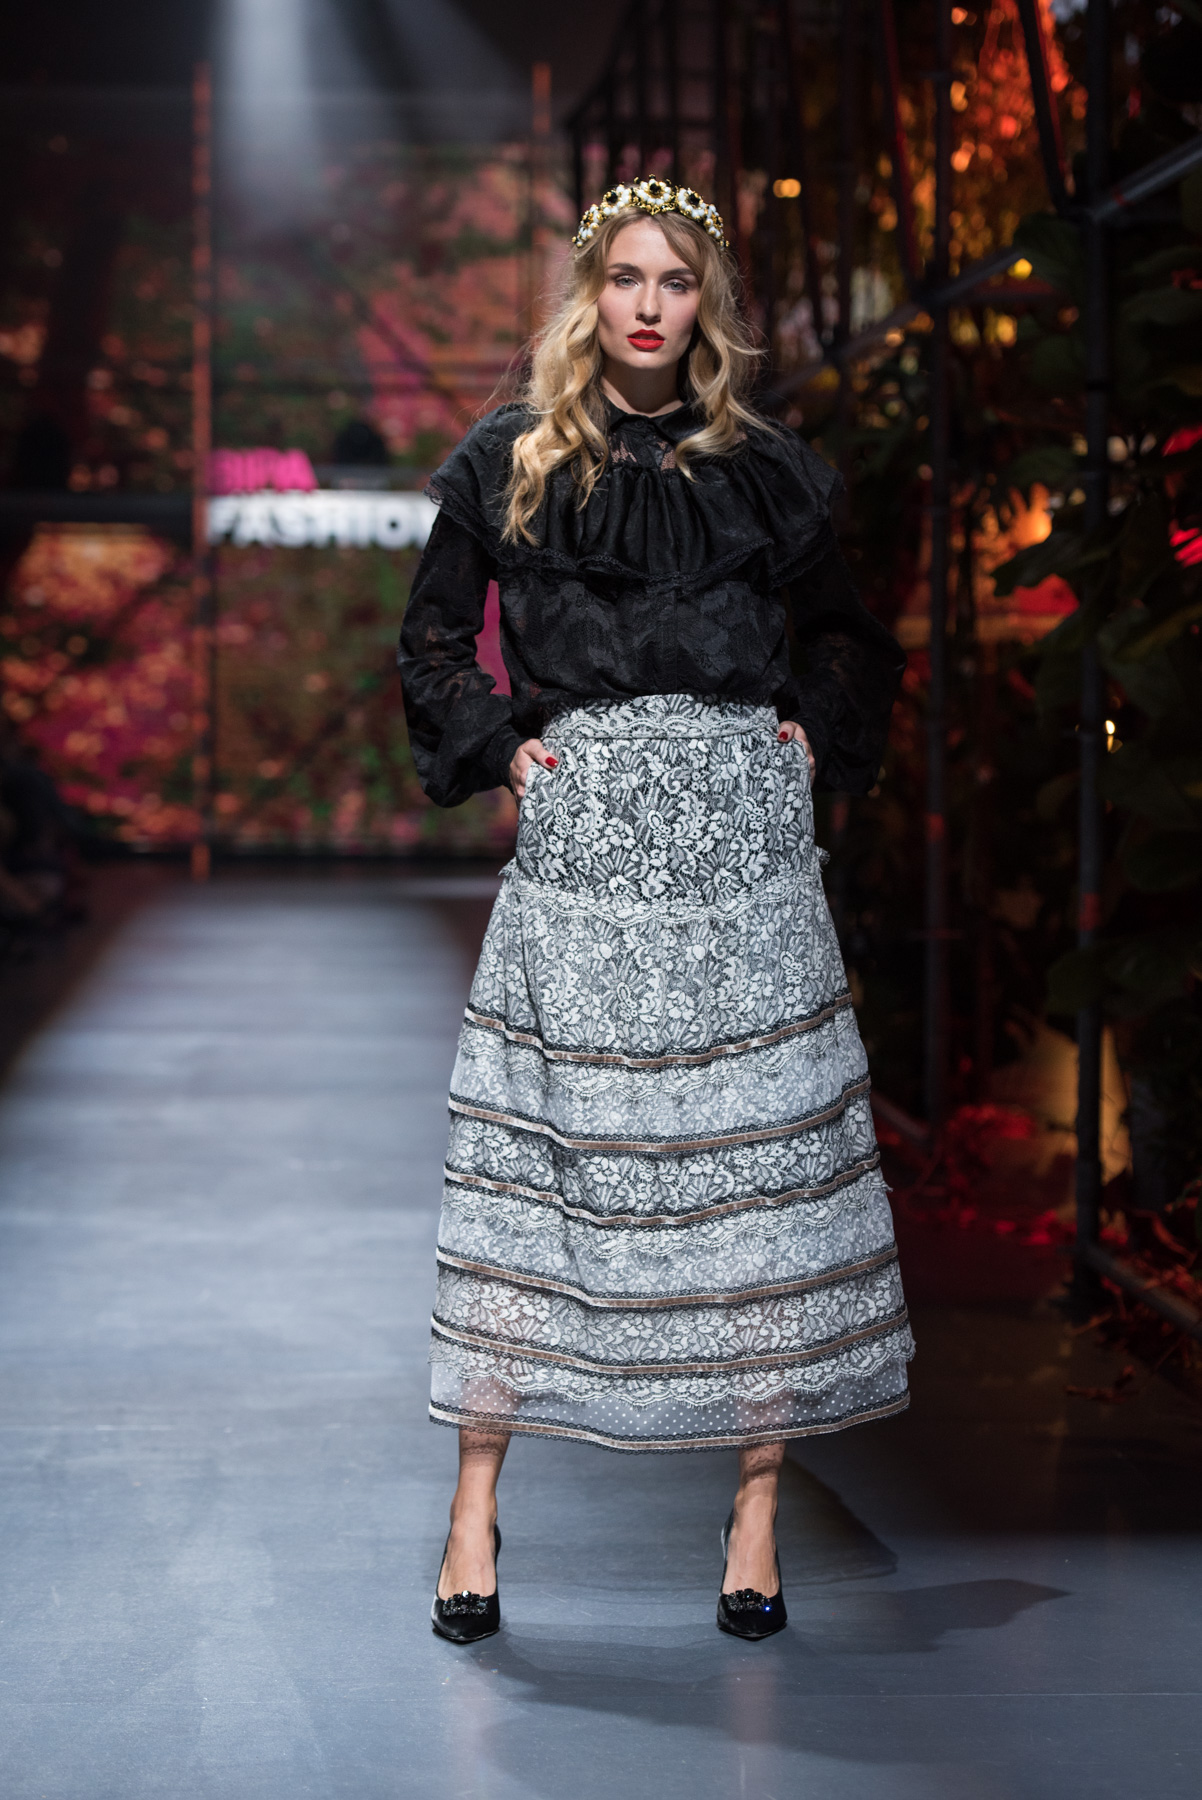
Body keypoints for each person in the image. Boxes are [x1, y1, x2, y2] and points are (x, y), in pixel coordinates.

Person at [398, 177, 912, 1645]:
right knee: (538, 1177)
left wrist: (805, 735)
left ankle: (754, 1516)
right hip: (587, 855)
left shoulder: (767, 470)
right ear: (589, 291)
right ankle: (473, 1511)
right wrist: (508, 749)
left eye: (674, 282)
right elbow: (431, 641)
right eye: (624, 276)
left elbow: (850, 635)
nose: (646, 305)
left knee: (754, 1181)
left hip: (744, 860)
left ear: (706, 307)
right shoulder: (511, 458)